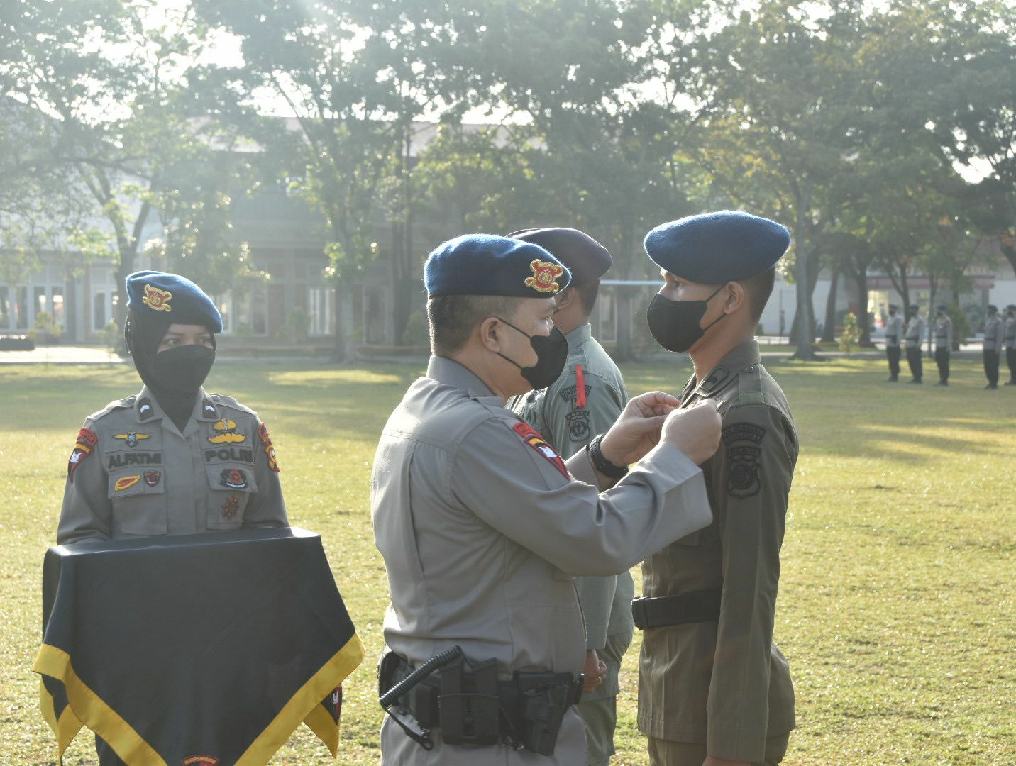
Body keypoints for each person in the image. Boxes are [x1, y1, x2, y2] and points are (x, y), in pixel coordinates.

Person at [372, 234, 722, 766]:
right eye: (540, 321)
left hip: (458, 724)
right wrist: (674, 455)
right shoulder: (477, 429)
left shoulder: (428, 409)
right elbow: (596, 539)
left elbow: (514, 509)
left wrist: (605, 456)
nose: (550, 334)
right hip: (489, 738)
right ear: (492, 332)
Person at [57, 271, 288, 764]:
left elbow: (273, 536)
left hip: (226, 652)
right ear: (141, 344)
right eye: (174, 341)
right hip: (138, 659)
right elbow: (79, 545)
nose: (193, 352)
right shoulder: (105, 434)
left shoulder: (244, 429)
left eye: (203, 341)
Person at [634, 211, 799, 766]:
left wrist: (732, 745)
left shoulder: (745, 414)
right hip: (677, 682)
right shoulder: (705, 396)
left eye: (678, 284)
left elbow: (749, 587)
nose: (664, 296)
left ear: (730, 299)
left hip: (709, 704)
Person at [508, 227, 633, 766]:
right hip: (547, 614)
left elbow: (594, 513)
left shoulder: (579, 380)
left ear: (562, 295)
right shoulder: (545, 368)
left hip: (578, 623)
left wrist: (583, 641)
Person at [982, 304, 1003, 390]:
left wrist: (997, 348)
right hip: (987, 345)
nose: (987, 311)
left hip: (993, 345)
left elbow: (999, 336)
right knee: (987, 365)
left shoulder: (998, 321)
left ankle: (994, 383)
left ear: (993, 311)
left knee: (993, 365)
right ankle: (990, 381)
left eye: (989, 310)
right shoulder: (988, 320)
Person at [903, 304, 925, 384]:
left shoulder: (920, 320)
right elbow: (909, 330)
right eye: (910, 309)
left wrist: (919, 344)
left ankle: (918, 377)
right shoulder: (911, 319)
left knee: (916, 361)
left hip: (915, 343)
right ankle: (914, 376)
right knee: (910, 361)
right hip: (909, 343)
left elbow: (921, 333)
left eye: (913, 309)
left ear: (916, 310)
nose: (911, 311)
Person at [933, 305, 952, 386]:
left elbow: (949, 334)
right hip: (938, 343)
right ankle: (941, 378)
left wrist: (948, 346)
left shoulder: (947, 320)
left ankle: (945, 379)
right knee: (939, 362)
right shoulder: (938, 320)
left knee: (944, 363)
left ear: (944, 311)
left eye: (940, 310)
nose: (938, 312)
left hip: (944, 344)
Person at [884, 304, 903, 382]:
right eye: (890, 308)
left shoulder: (898, 318)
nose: (890, 310)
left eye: (892, 309)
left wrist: (898, 341)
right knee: (890, 360)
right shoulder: (889, 318)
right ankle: (892, 374)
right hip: (889, 341)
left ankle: (895, 375)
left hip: (894, 341)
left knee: (895, 360)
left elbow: (899, 331)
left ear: (895, 309)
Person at [1003, 305, 1016, 385]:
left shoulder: (1012, 320)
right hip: (1008, 343)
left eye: (1008, 310)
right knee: (1010, 362)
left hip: (1013, 343)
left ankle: (1014, 380)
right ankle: (1012, 379)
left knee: (1013, 362)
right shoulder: (1008, 319)